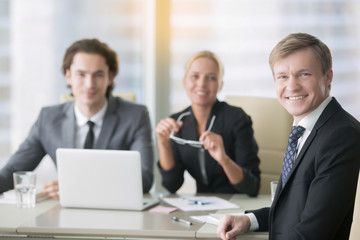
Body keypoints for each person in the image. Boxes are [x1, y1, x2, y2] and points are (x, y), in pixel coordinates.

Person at [217, 33, 360, 240]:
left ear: (328, 76)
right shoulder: (305, 129)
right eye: (282, 76)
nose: (291, 86)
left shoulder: (340, 136)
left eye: (304, 74)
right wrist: (250, 220)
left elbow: (314, 231)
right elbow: (296, 209)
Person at [0, 38, 154, 199]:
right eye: (81, 74)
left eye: (98, 75)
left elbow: (145, 179)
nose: (89, 84)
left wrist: (76, 188)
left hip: (116, 213)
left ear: (111, 77)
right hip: (64, 214)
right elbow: (12, 172)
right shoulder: (48, 119)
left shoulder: (136, 116)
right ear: (68, 76)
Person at [155, 50, 260, 196]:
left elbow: (252, 186)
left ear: (220, 84)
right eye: (195, 76)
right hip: (202, 206)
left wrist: (224, 160)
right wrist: (163, 144)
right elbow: (171, 185)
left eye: (211, 78)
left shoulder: (237, 119)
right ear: (184, 81)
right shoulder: (177, 122)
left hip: (237, 203)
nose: (202, 84)